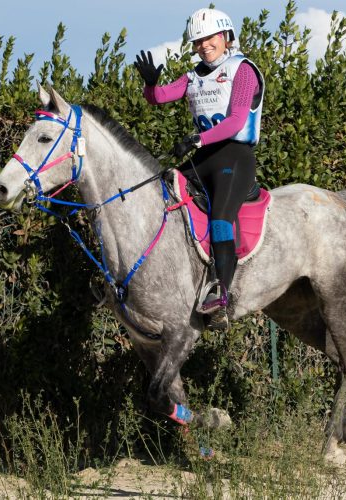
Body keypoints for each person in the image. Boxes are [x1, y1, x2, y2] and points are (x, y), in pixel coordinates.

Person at [134, 7, 265, 332]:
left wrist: (196, 138)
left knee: (221, 218)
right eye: (198, 41)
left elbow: (236, 120)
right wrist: (151, 86)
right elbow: (161, 97)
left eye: (210, 38)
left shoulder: (243, 70)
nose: (205, 45)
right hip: (202, 158)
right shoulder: (194, 76)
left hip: (234, 158)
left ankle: (220, 295)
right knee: (162, 195)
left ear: (226, 37)